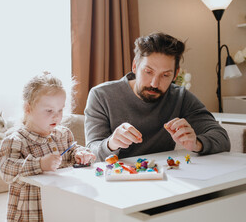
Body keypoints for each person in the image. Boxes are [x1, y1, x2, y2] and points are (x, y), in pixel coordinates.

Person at [84, 32, 230, 161]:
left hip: (166, 179)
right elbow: (91, 152)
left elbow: (222, 139)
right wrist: (111, 144)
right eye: (148, 72)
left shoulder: (180, 97)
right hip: (115, 180)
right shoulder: (101, 95)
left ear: (176, 74)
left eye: (165, 75)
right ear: (135, 66)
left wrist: (196, 143)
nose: (154, 83)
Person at [0, 72, 96, 222]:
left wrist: (80, 153)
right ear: (28, 108)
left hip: (62, 216)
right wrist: (40, 164)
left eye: (60, 109)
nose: (56, 116)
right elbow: (7, 170)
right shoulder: (16, 139)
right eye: (49, 110)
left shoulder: (63, 134)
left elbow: (71, 151)